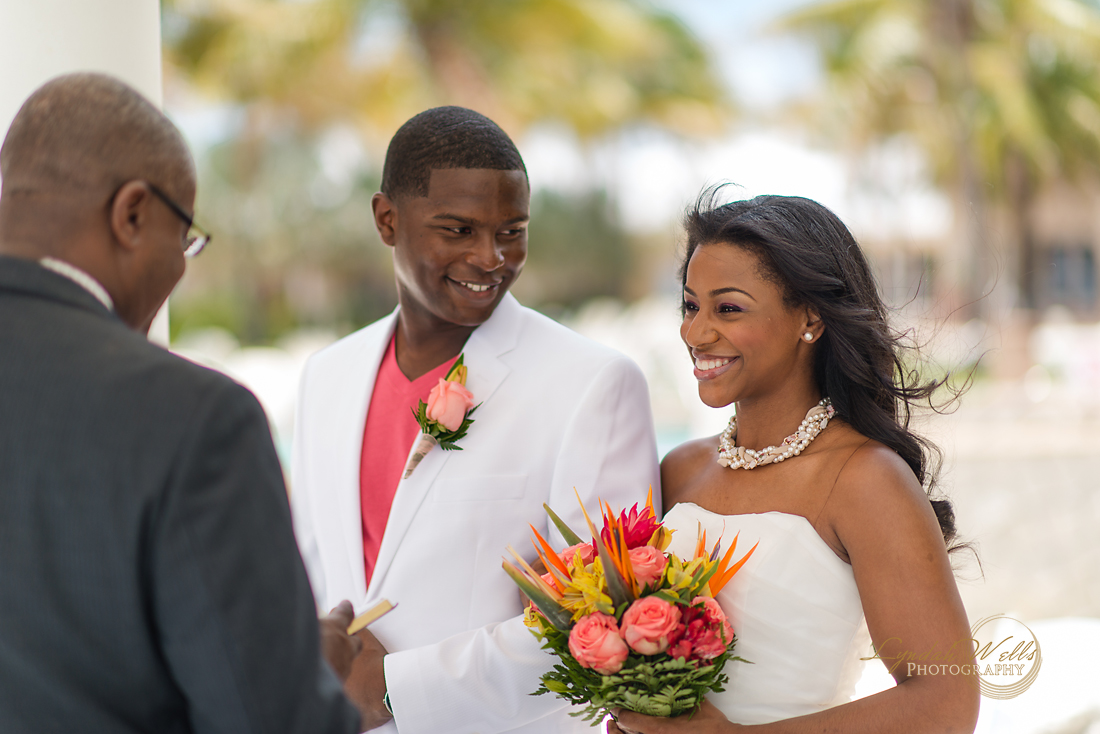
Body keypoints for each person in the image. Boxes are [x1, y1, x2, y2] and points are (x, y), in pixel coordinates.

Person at [0, 73, 362, 733]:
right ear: (132, 212)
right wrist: (303, 668)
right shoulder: (193, 419)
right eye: (186, 237)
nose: (182, 267)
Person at [289, 106, 661, 733]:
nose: (491, 258)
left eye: (511, 231)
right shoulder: (326, 376)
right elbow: (308, 571)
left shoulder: (594, 383)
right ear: (387, 220)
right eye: (458, 230)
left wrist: (393, 687)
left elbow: (604, 626)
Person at [609, 192, 979, 733]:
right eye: (690, 305)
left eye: (728, 308)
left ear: (809, 318)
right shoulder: (680, 469)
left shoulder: (865, 480)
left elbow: (946, 703)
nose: (695, 332)